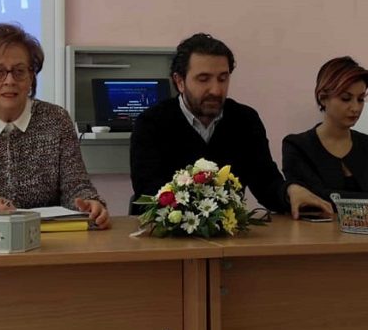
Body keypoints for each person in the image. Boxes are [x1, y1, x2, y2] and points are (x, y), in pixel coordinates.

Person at [130, 33, 333, 218]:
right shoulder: (151, 123)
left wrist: (290, 192)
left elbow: (265, 181)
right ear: (179, 81)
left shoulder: (245, 120)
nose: (216, 90)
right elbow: (148, 192)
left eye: (223, 79)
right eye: (203, 79)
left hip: (227, 235)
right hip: (168, 232)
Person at [0, 22, 110, 228]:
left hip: (46, 240)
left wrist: (89, 204)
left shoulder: (56, 120)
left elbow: (76, 188)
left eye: (19, 71)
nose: (10, 81)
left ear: (31, 77)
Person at [283, 56, 368, 202]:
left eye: (360, 99)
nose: (355, 108)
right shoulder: (297, 146)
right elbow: (312, 196)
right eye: (345, 98)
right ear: (323, 98)